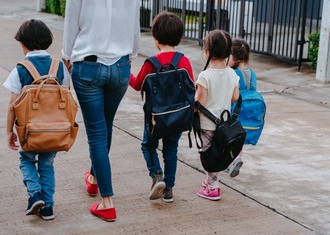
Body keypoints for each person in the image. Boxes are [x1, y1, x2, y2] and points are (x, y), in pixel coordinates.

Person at [62, 0, 140, 222]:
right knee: (106, 125)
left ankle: (107, 202)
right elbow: (134, 30)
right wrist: (129, 56)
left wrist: (67, 55)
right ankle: (94, 179)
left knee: (97, 133)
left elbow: (71, 25)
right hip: (121, 66)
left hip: (88, 66)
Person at [4, 19, 70, 220]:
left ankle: (35, 194)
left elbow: (12, 106)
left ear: (22, 44)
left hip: (30, 131)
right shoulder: (59, 67)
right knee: (47, 165)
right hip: (54, 130)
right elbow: (67, 95)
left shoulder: (20, 69)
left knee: (26, 160)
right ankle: (48, 207)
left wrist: (9, 132)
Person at [130, 12, 194, 203]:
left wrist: (126, 71)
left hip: (155, 118)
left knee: (147, 145)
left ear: (156, 39)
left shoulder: (151, 63)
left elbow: (137, 85)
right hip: (177, 117)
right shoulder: (184, 61)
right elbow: (192, 86)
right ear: (179, 38)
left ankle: (157, 175)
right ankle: (169, 190)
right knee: (171, 150)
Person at [195, 30, 240, 201]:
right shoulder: (232, 74)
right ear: (228, 53)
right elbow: (235, 97)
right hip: (225, 124)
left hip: (207, 124)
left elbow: (201, 102)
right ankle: (210, 179)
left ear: (207, 52)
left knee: (209, 155)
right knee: (217, 153)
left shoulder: (205, 76)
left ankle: (213, 188)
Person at [225, 38, 255, 177]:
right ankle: (236, 159)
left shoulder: (233, 73)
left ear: (235, 58)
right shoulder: (252, 73)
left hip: (233, 112)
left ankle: (232, 160)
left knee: (228, 137)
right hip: (247, 112)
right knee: (239, 138)